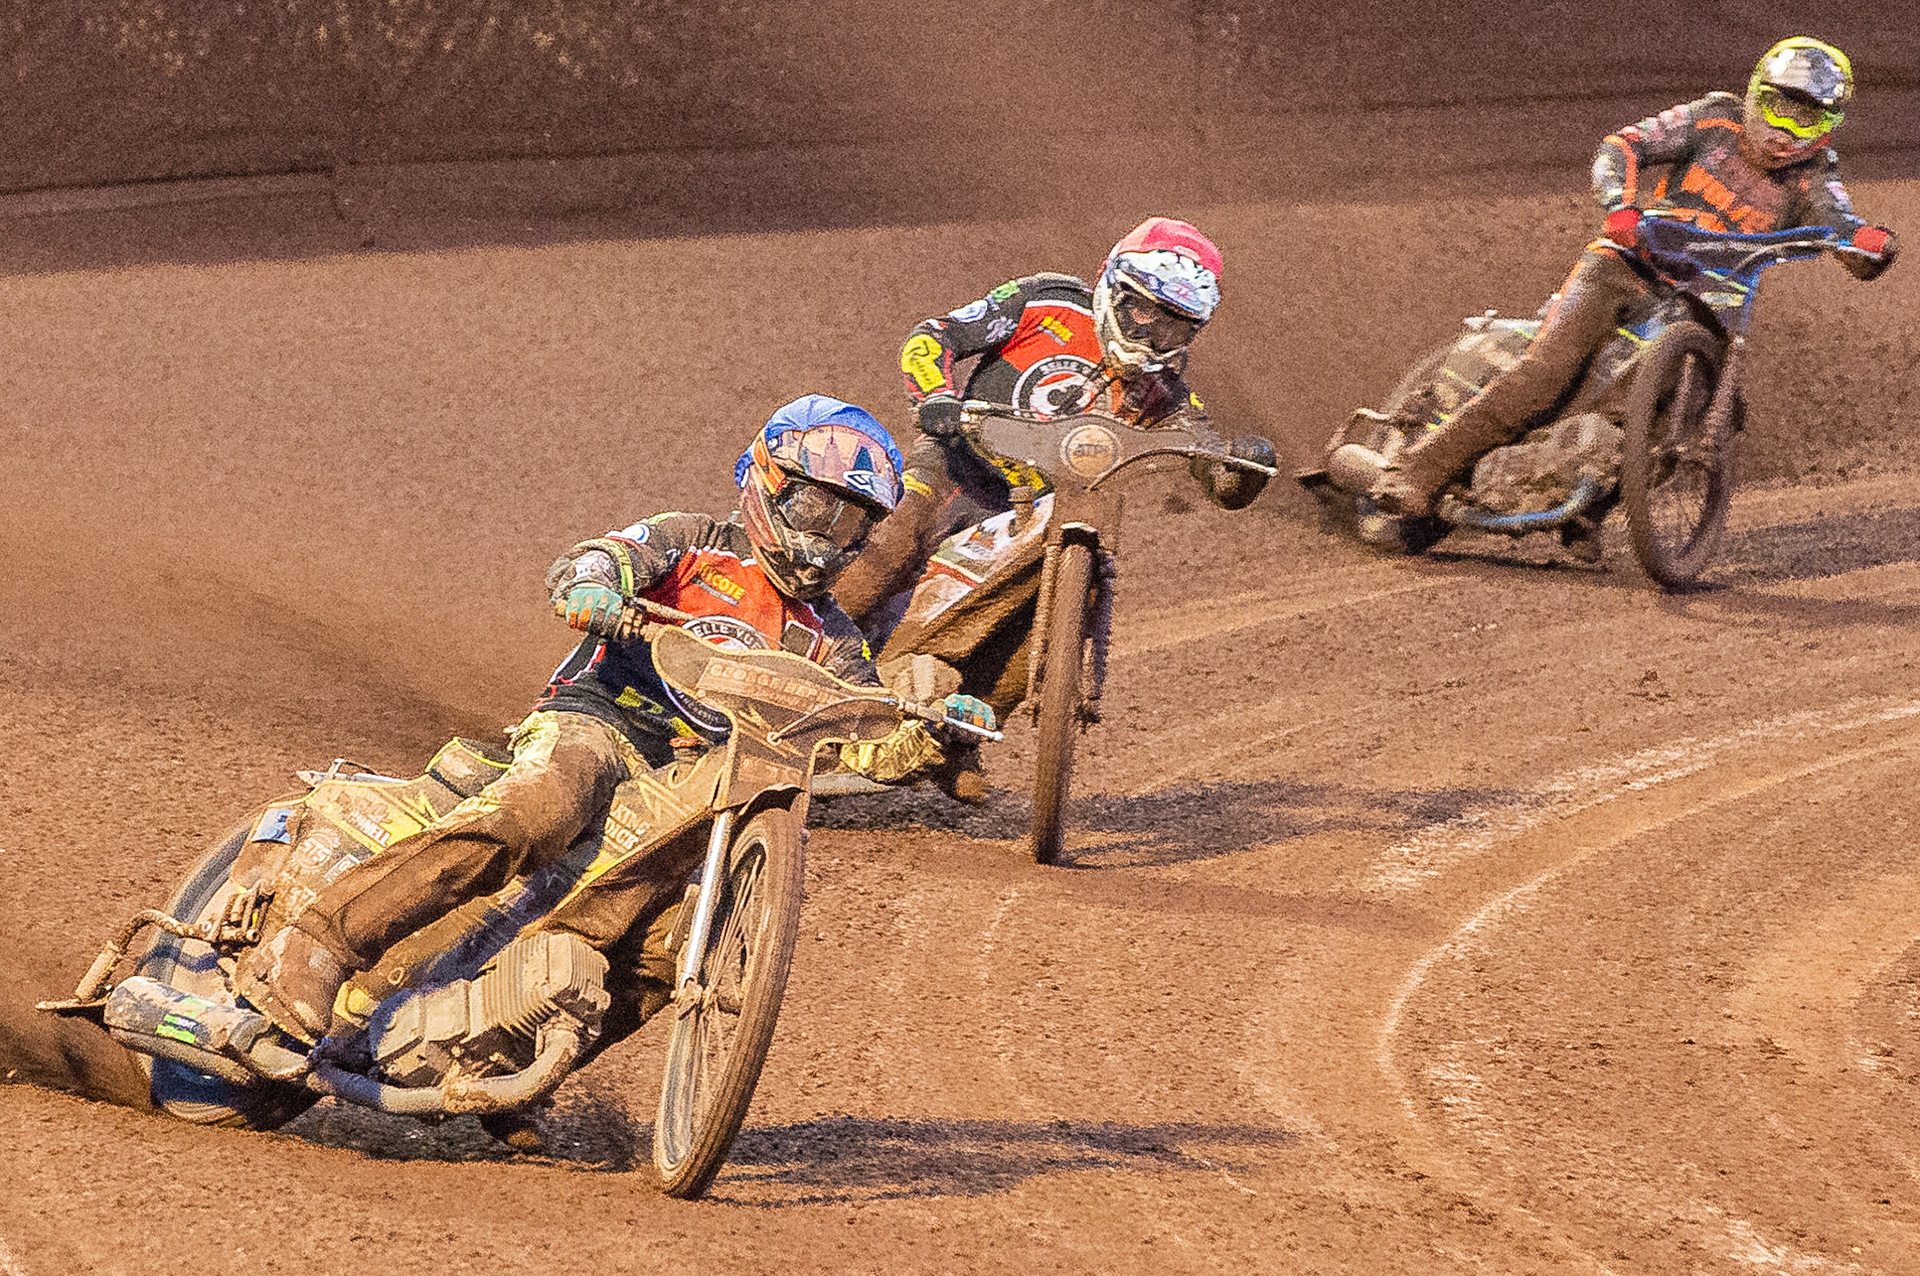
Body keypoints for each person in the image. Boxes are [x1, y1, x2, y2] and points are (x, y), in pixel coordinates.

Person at [235, 395, 991, 1056]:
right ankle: (319, 945)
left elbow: (862, 743)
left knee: (676, 943)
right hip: (598, 724)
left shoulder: (833, 640)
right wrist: (592, 588)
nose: (831, 534)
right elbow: (599, 558)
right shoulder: (691, 541)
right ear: (769, 484)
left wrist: (933, 733)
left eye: (853, 521)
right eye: (817, 508)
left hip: (698, 783)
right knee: (540, 812)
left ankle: (505, 1061)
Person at [1369, 37, 1898, 527]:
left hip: (1710, 303)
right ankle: (1417, 474)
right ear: (1757, 94)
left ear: (1827, 126)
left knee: (1663, 409)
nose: (1786, 130)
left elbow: (1844, 231)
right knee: (1547, 372)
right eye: (1780, 107)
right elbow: (1622, 146)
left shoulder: (1815, 177)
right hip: (1625, 264)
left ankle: (1580, 504)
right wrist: (1619, 207)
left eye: (1806, 118)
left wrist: (1873, 246)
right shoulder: (1714, 118)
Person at [833, 216, 1273, 631]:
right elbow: (935, 335)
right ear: (1113, 286)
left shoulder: (1163, 386)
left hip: (1041, 518)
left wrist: (1242, 467)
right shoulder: (1047, 302)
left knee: (1068, 601)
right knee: (893, 539)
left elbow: (1210, 461)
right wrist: (936, 398)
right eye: (1144, 314)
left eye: (1174, 330)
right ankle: (810, 643)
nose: (1151, 339)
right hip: (957, 464)